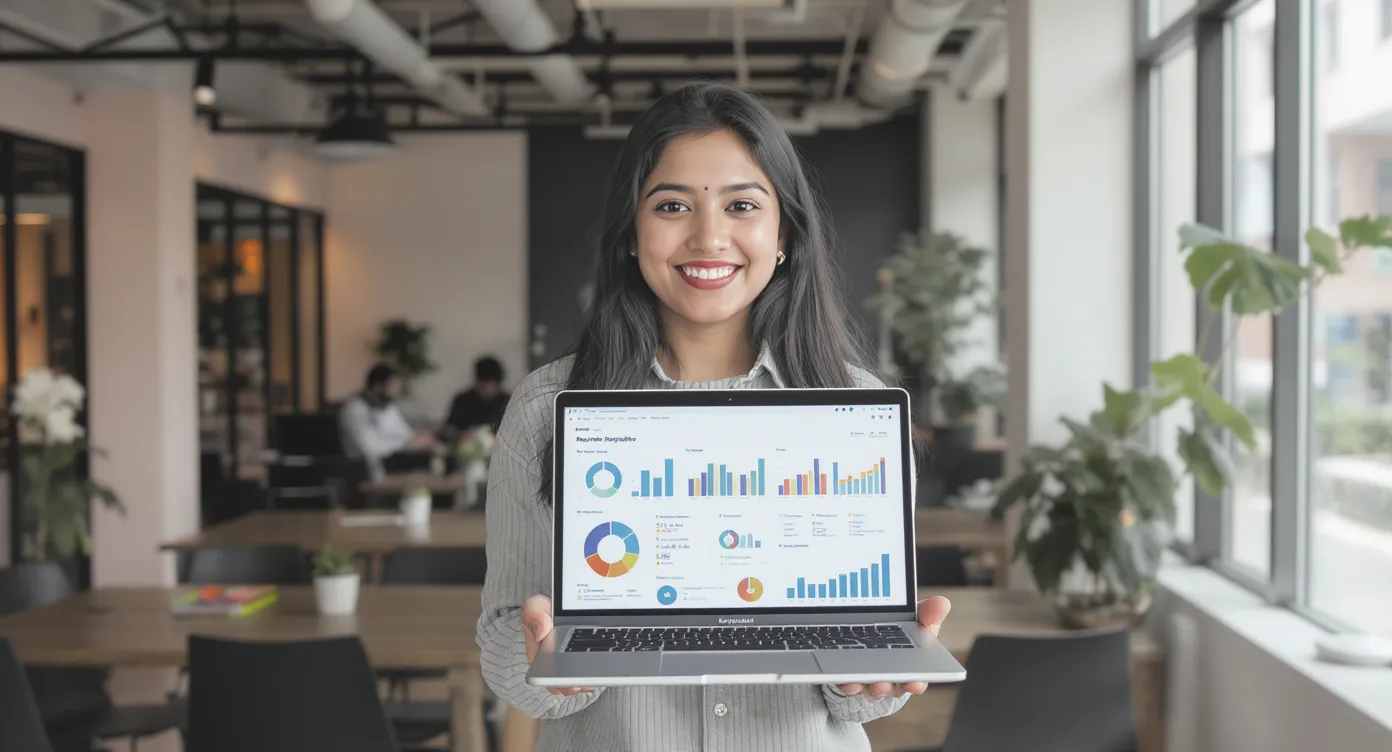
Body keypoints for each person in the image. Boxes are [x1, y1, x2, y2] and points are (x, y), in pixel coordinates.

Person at [477, 82, 952, 751]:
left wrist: (863, 683)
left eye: (742, 206)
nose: (709, 237)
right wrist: (552, 666)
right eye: (673, 205)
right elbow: (503, 641)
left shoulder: (854, 412)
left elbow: (861, 699)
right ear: (631, 232)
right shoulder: (543, 410)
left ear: (782, 233)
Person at [338, 362, 435, 479]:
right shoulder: (355, 408)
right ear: (378, 386)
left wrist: (420, 438)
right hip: (364, 469)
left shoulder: (388, 407)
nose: (396, 391)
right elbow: (370, 448)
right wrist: (407, 444)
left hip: (393, 464)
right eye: (392, 386)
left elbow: (406, 434)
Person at [441, 356, 511, 437]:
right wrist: (460, 434)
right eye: (484, 385)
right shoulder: (462, 400)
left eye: (491, 384)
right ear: (478, 382)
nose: (488, 389)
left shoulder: (508, 402)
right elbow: (448, 428)